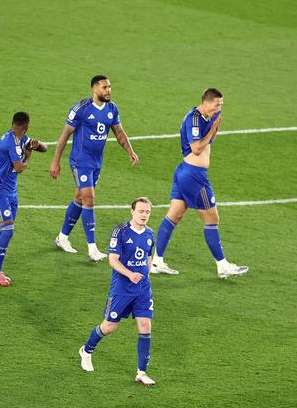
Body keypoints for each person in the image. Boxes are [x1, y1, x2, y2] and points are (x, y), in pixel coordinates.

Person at [151, 88, 248, 278]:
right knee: (212, 219)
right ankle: (223, 266)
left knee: (174, 216)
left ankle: (156, 261)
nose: (219, 108)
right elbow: (196, 148)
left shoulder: (206, 117)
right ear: (206, 102)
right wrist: (213, 128)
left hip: (185, 172)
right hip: (194, 176)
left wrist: (214, 126)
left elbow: (209, 141)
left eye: (221, 105)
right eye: (217, 105)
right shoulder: (194, 119)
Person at [50, 75, 139, 261]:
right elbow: (64, 135)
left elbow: (119, 133)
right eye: (105, 87)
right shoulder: (81, 108)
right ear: (94, 89)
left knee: (79, 198)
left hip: (96, 163)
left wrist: (130, 151)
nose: (109, 90)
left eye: (110, 87)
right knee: (89, 199)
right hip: (80, 161)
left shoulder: (112, 109)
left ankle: (62, 238)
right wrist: (55, 161)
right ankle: (93, 249)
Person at [79, 197, 156, 386]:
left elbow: (148, 257)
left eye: (147, 212)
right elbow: (112, 260)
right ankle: (86, 351)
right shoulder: (120, 231)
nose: (144, 215)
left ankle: (141, 372)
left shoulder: (150, 234)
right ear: (132, 211)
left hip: (142, 289)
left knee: (145, 326)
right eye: (141, 211)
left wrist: (146, 275)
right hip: (122, 289)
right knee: (109, 326)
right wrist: (130, 274)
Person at [0, 111, 47, 286]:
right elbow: (19, 167)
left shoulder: (20, 138)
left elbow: (44, 148)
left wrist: (36, 144)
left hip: (11, 193)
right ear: (27, 125)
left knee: (4, 230)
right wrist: (28, 156)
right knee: (7, 230)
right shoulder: (10, 142)